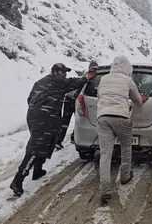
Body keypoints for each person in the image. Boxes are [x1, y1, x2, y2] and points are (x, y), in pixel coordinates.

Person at [9, 63, 96, 196]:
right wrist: (86, 77)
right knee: (36, 147)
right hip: (45, 117)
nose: (65, 74)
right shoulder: (57, 81)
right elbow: (73, 83)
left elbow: (29, 99)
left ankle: (38, 169)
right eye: (63, 72)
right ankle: (18, 179)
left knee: (47, 142)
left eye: (66, 72)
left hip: (35, 116)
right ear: (56, 72)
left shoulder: (40, 82)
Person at [96, 55, 150, 204]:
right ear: (127, 68)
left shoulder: (103, 79)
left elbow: (99, 95)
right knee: (126, 146)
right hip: (121, 116)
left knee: (105, 153)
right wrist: (143, 99)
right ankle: (125, 175)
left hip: (103, 117)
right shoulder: (128, 81)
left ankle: (105, 188)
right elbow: (137, 101)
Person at [56, 61, 99, 150]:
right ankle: (72, 137)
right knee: (80, 120)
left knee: (66, 121)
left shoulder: (85, 75)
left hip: (69, 99)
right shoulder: (92, 77)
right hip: (78, 101)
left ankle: (59, 141)